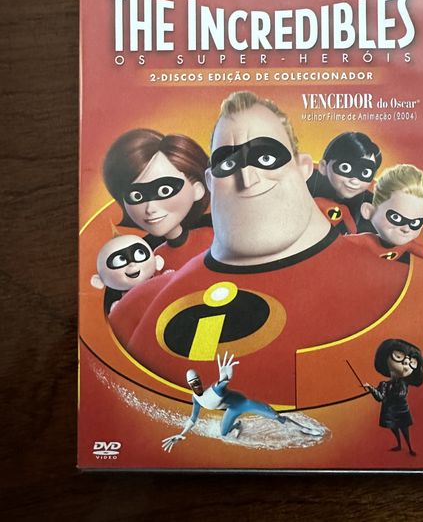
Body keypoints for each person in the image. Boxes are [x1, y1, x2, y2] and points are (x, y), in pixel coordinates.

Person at [109, 92, 407, 405]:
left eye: (265, 159)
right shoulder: (138, 309)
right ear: (209, 181)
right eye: (228, 163)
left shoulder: (393, 285)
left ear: (303, 168)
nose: (248, 178)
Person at [103, 129, 213, 269]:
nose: (150, 208)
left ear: (197, 189)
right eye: (136, 196)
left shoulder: (211, 236)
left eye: (164, 190)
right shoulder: (154, 256)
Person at [161, 353, 318, 450]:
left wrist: (225, 376)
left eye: (197, 381)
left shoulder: (215, 390)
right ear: (189, 385)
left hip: (244, 403)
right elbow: (193, 419)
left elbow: (222, 383)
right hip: (232, 409)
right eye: (193, 383)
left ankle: (304, 429)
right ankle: (238, 425)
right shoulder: (196, 399)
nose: (196, 385)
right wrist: (181, 434)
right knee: (223, 433)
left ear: (200, 380)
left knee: (276, 417)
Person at [349, 164, 423, 263]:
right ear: (368, 211)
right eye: (396, 217)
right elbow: (340, 242)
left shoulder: (407, 245)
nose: (406, 229)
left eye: (415, 223)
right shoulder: (365, 240)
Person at [307, 132, 381, 233]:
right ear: (323, 167)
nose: (354, 181)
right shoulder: (305, 183)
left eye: (365, 173)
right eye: (345, 168)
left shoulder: (373, 207)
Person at [364, 338, 423, 456]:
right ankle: (399, 445)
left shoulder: (403, 383)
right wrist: (371, 388)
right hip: (389, 412)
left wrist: (387, 396)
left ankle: (410, 447)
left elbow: (400, 394)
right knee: (394, 428)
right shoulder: (384, 384)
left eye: (412, 362)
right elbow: (380, 398)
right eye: (398, 356)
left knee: (405, 430)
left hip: (401, 410)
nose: (406, 363)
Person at [90, 234, 165, 313]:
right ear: (99, 281)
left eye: (140, 253)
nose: (132, 264)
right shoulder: (121, 304)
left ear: (158, 261)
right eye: (119, 260)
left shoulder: (162, 280)